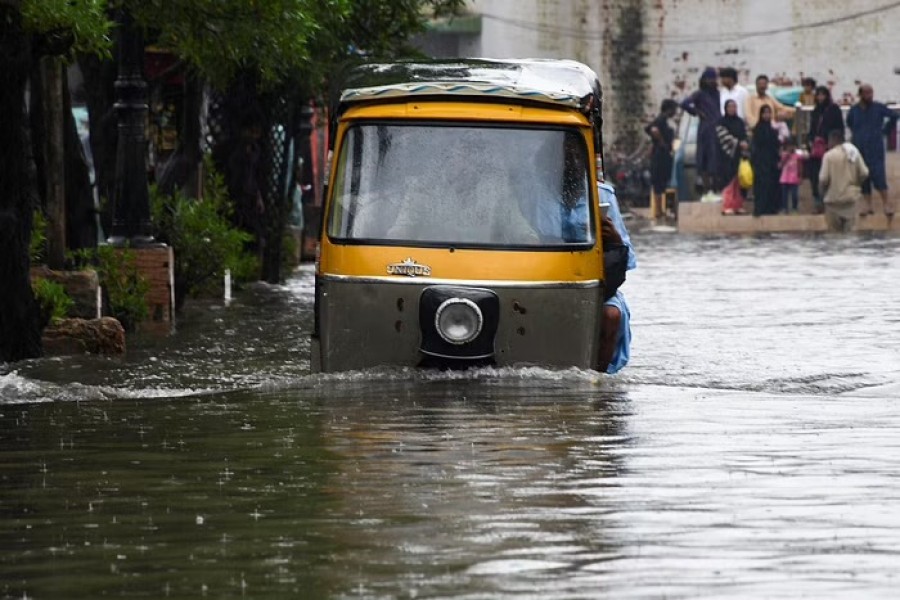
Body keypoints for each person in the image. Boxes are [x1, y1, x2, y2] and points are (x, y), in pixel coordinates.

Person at [597, 182, 636, 375]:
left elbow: (626, 261)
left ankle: (599, 378)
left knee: (611, 315)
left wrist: (615, 239)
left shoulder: (602, 194)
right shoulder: (535, 193)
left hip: (597, 285)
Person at [846, 84, 899, 226]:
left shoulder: (878, 107)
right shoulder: (854, 110)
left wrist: (885, 131)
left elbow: (894, 116)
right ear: (861, 94)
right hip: (860, 147)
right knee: (863, 177)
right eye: (867, 93)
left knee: (878, 175)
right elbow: (850, 123)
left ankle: (886, 204)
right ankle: (868, 205)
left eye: (871, 93)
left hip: (875, 147)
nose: (869, 96)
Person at [681, 67, 722, 200]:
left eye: (713, 79)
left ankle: (716, 190)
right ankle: (707, 190)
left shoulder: (717, 94)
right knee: (705, 160)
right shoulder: (699, 94)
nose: (711, 81)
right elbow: (685, 104)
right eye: (709, 79)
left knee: (717, 161)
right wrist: (697, 112)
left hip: (717, 130)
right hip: (705, 130)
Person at [819, 129, 869, 233]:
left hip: (833, 201)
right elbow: (864, 173)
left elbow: (823, 179)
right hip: (851, 200)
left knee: (834, 238)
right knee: (851, 236)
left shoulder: (828, 156)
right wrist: (856, 184)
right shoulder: (854, 153)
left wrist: (822, 194)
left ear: (832, 141)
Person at [806, 86, 845, 213]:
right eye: (818, 95)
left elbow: (839, 128)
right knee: (815, 176)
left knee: (830, 175)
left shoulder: (834, 110)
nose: (820, 98)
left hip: (830, 147)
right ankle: (819, 203)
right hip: (816, 149)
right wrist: (810, 142)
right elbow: (812, 129)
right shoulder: (816, 111)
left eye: (823, 95)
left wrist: (833, 143)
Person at [645, 99, 678, 217]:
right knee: (659, 182)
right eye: (674, 109)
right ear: (669, 110)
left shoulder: (666, 121)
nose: (675, 112)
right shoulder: (661, 120)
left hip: (665, 154)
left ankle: (663, 209)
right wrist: (661, 142)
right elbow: (651, 129)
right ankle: (659, 210)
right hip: (660, 155)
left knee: (664, 182)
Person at [717, 99, 749, 214]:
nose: (732, 109)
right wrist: (737, 142)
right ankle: (727, 205)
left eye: (734, 107)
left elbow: (746, 133)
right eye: (730, 107)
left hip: (739, 155)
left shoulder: (740, 121)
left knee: (739, 180)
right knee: (728, 180)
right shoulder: (721, 122)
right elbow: (723, 136)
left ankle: (738, 205)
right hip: (726, 156)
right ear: (725, 109)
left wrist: (745, 142)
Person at [750, 105, 782, 216]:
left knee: (772, 185)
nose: (767, 115)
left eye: (769, 113)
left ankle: (771, 209)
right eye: (765, 113)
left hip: (772, 163)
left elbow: (776, 147)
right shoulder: (757, 130)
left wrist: (778, 160)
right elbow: (755, 147)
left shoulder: (773, 131)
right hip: (760, 163)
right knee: (761, 186)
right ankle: (760, 209)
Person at [779, 137, 807, 214]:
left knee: (794, 194)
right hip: (785, 178)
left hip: (794, 178)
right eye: (788, 146)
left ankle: (794, 207)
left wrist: (800, 176)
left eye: (792, 146)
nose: (790, 148)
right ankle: (785, 208)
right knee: (784, 195)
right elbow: (780, 165)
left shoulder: (797, 156)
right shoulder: (783, 154)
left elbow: (800, 166)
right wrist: (786, 157)